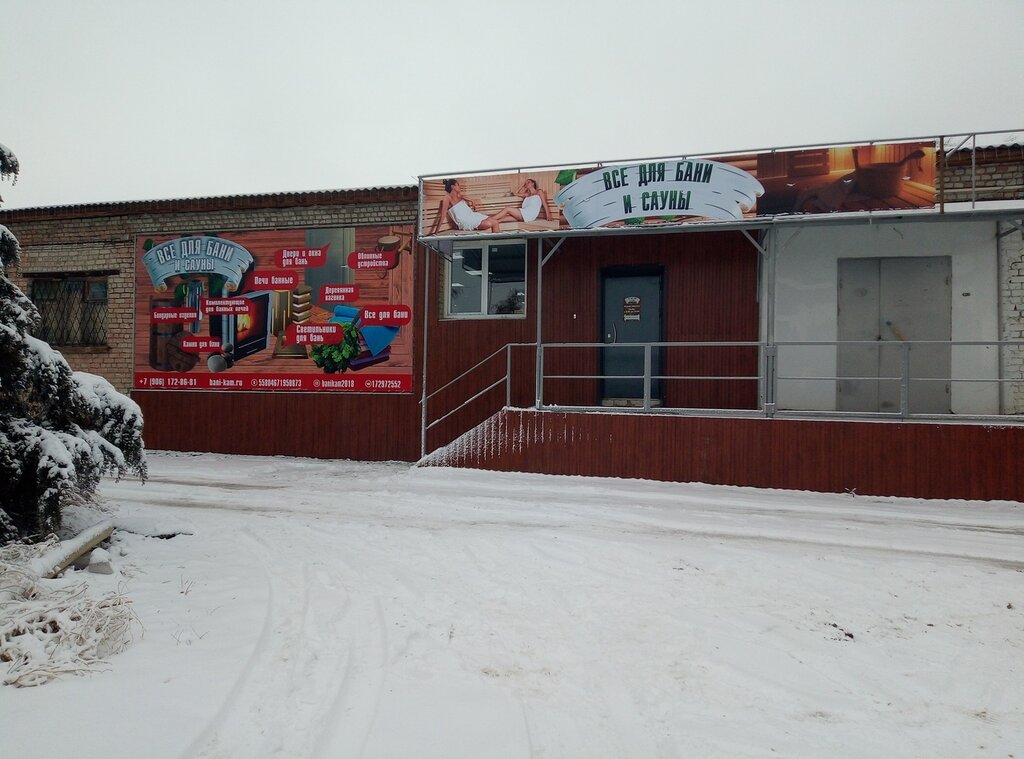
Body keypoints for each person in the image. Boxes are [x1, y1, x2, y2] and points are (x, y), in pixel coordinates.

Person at [428, 179, 502, 235]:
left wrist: (472, 201)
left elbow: (463, 196)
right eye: (458, 185)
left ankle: (497, 245)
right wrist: (436, 233)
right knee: (492, 223)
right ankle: (497, 245)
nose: (459, 187)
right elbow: (443, 215)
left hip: (472, 216)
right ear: (453, 187)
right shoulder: (447, 198)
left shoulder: (458, 195)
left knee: (494, 222)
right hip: (465, 222)